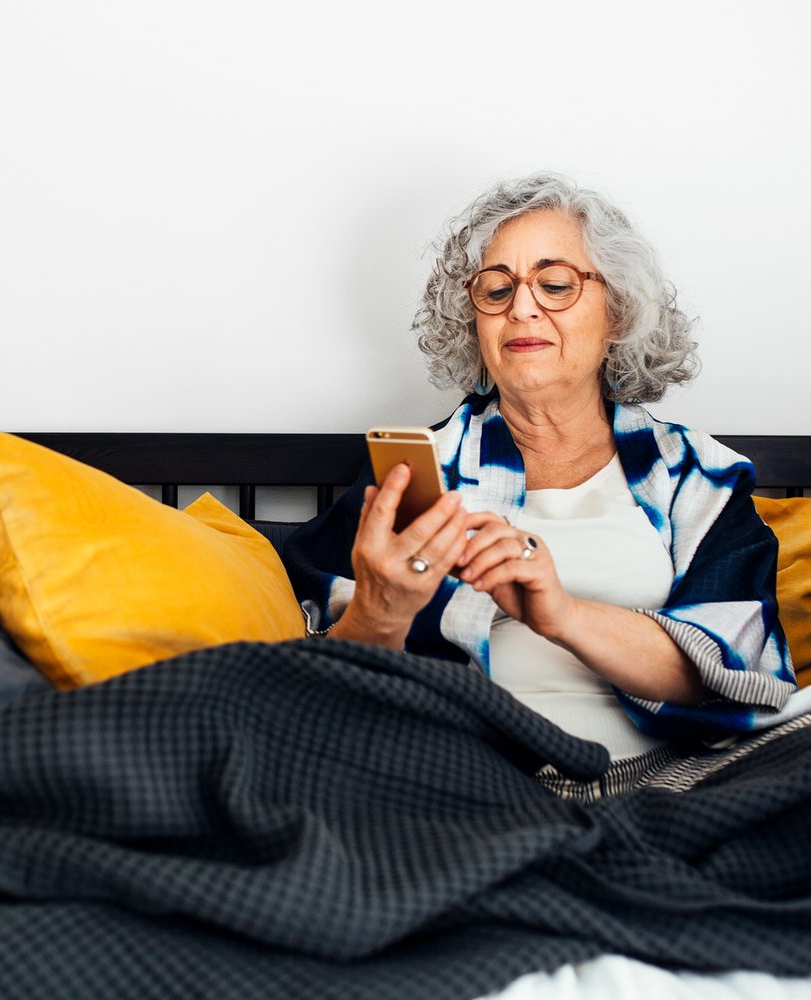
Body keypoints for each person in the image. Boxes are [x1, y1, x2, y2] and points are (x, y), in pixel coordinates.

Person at [284, 173, 795, 760]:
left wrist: (563, 614)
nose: (522, 308)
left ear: (618, 315)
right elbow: (309, 678)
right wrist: (380, 609)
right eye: (496, 291)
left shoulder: (700, 476)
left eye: (555, 285)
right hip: (460, 775)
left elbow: (737, 669)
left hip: (664, 780)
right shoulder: (412, 474)